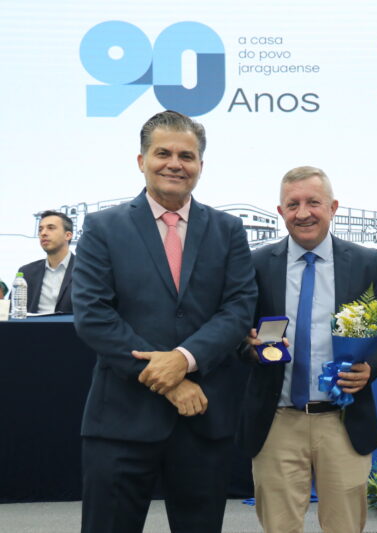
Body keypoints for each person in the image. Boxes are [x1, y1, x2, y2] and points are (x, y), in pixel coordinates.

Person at [72, 110, 257, 533]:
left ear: (200, 166)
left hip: (203, 421)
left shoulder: (228, 230)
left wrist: (184, 359)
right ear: (142, 161)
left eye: (186, 156)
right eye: (163, 153)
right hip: (120, 420)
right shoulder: (103, 227)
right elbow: (94, 315)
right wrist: (170, 379)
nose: (175, 164)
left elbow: (238, 309)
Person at [237, 166, 377, 533]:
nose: (303, 213)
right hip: (276, 420)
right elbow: (236, 332)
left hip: (343, 420)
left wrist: (370, 367)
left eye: (313, 202)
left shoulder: (366, 262)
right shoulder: (256, 264)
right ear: (280, 211)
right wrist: (249, 347)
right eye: (292, 204)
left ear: (333, 207)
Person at [18, 210, 75, 314]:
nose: (43, 233)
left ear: (68, 235)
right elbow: (14, 312)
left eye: (51, 228)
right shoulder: (26, 272)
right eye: (40, 229)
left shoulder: (86, 270)